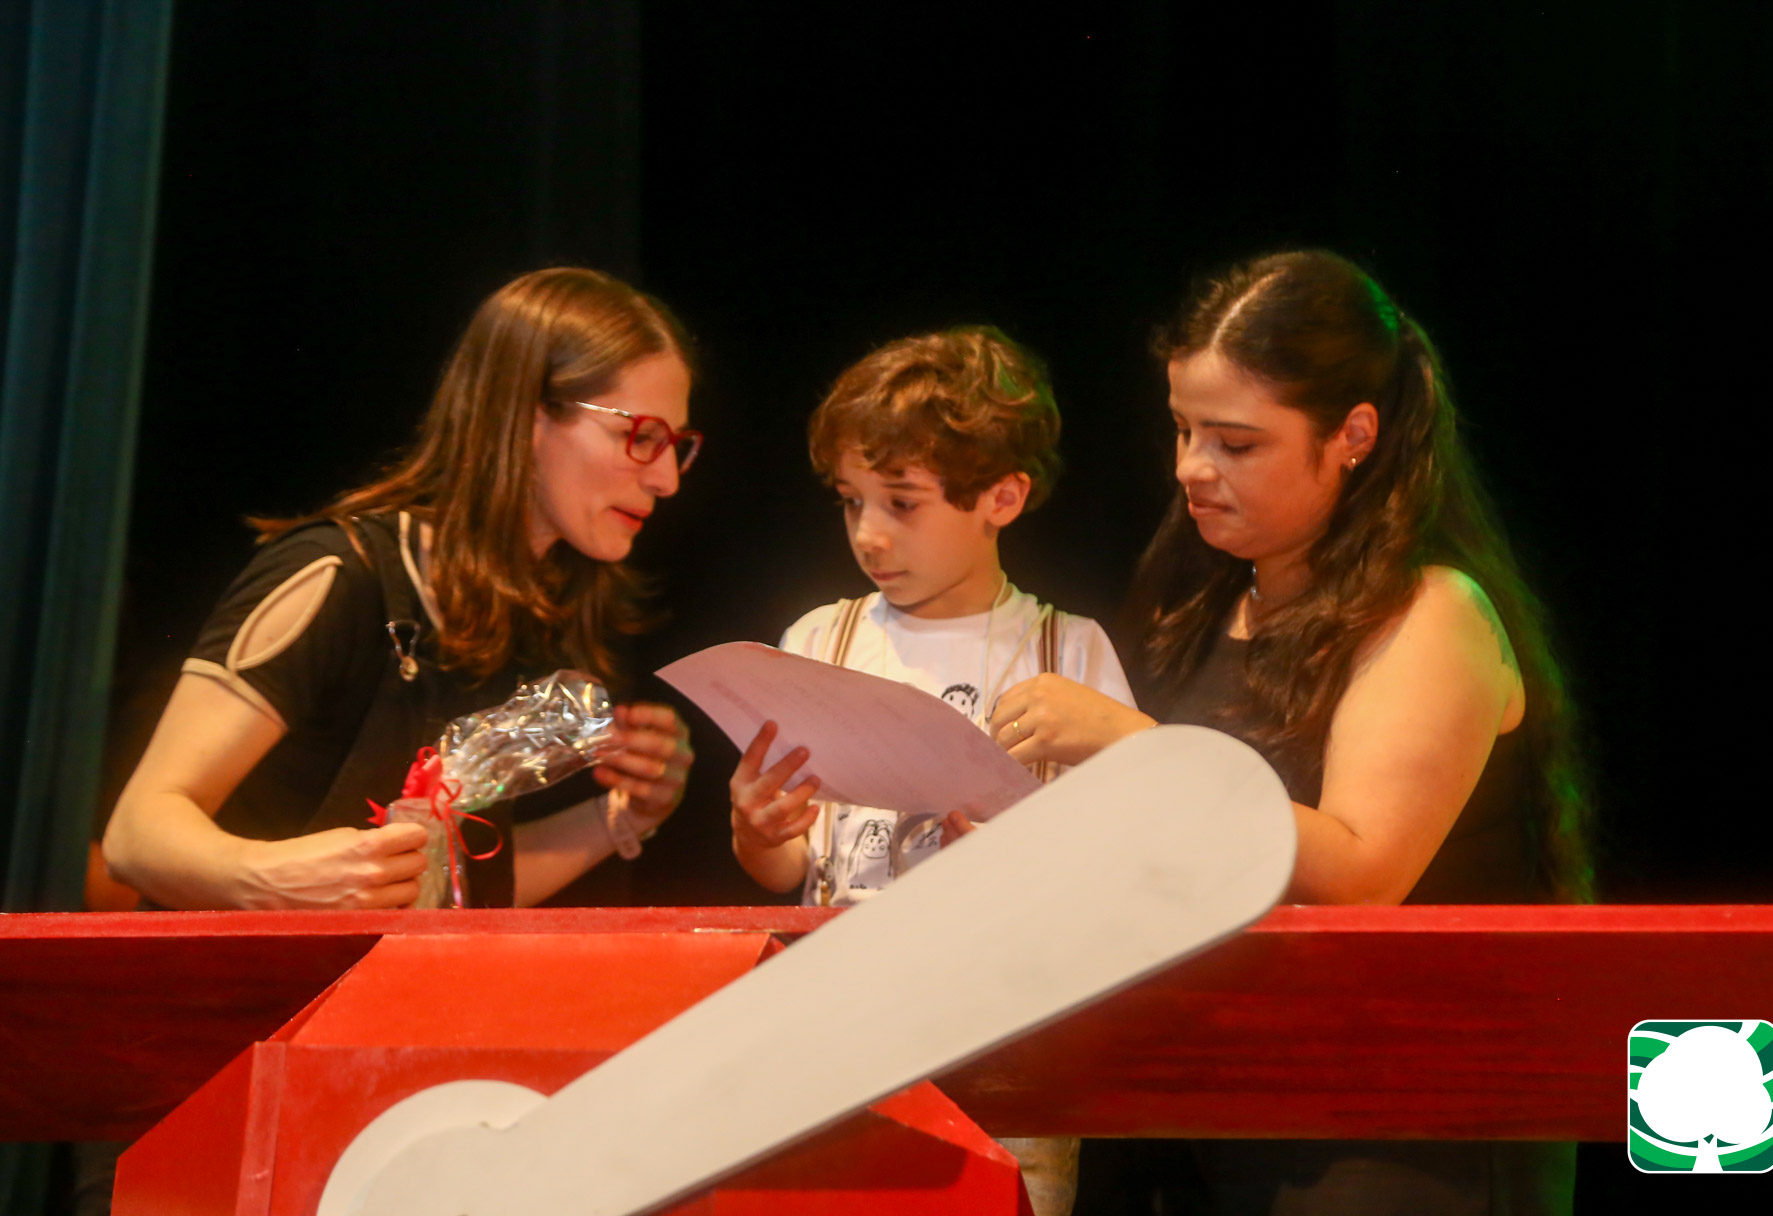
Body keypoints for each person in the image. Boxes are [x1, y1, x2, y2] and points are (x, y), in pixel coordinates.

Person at [986, 250, 1592, 1214]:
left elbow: (1359, 873)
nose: (1191, 468)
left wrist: (1133, 745)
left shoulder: (1433, 612)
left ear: (1354, 435)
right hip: (1215, 1107)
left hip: (1391, 1132)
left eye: (1236, 443)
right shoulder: (1206, 603)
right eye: (1184, 429)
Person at [102, 267, 699, 912]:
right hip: (236, 978)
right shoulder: (341, 574)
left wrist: (622, 817)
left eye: (676, 444)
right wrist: (268, 877)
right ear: (527, 415)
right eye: (640, 436)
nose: (666, 478)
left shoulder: (529, 613)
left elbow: (450, 890)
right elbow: (136, 835)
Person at [726, 326, 1135, 1216]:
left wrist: (1022, 864)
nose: (870, 535)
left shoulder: (1068, 651)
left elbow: (1123, 870)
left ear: (1002, 497)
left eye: (902, 504)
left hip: (1002, 1045)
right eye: (851, 502)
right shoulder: (819, 640)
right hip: (836, 1037)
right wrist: (758, 829)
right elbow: (792, 868)